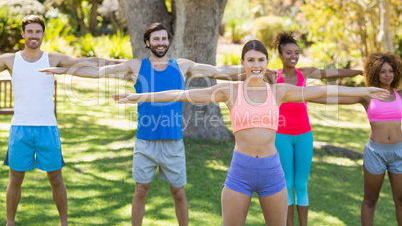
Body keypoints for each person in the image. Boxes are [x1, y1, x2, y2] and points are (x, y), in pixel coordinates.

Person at [111, 40, 389, 226]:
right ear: (242, 63)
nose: (256, 64)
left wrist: (363, 90)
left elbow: (323, 91)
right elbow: (182, 93)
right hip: (240, 172)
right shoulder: (229, 91)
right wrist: (140, 96)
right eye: (250, 59)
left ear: (268, 62)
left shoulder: (279, 91)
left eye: (261, 59)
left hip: (272, 170)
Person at [40, 22, 243, 226]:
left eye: (164, 38)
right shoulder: (136, 66)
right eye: (156, 39)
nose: (161, 42)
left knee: (179, 192)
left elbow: (218, 71)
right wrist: (63, 71)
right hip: (145, 141)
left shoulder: (182, 66)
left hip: (173, 141)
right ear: (148, 42)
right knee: (140, 191)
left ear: (168, 41)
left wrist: (252, 69)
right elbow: (100, 72)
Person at [0, 15, 121, 226]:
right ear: (23, 34)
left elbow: (84, 62)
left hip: (47, 129)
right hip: (20, 129)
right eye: (30, 31)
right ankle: (10, 223)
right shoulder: (10, 60)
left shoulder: (52, 59)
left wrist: (122, 63)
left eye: (38, 31)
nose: (34, 35)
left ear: (43, 34)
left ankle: (64, 223)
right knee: (15, 179)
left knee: (56, 179)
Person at [270, 32, 363, 226]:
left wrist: (360, 72)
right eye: (288, 52)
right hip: (281, 136)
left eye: (296, 52)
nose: (293, 56)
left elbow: (333, 73)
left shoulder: (304, 73)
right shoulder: (272, 76)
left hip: (304, 135)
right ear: (280, 55)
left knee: (301, 185)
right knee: (286, 184)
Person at [310, 52, 402, 226]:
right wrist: (303, 97)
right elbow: (334, 98)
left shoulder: (400, 95)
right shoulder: (367, 95)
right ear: (375, 73)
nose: (388, 75)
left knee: (401, 201)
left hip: (399, 152)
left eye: (391, 71)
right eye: (383, 71)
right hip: (376, 153)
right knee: (370, 200)